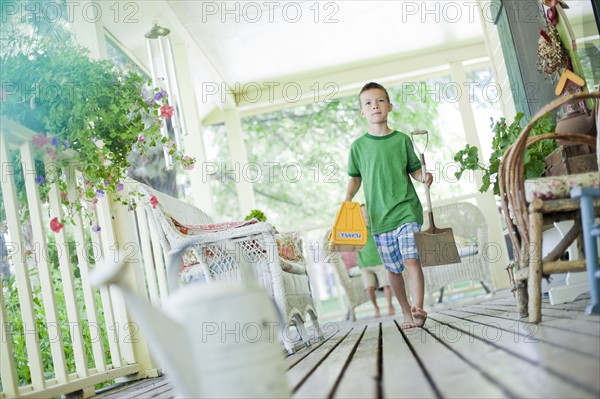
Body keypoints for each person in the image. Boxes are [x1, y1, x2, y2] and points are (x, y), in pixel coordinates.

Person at [344, 82, 433, 329]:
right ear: (362, 112)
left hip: (406, 211)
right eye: (368, 103)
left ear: (390, 106)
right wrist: (348, 199)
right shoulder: (358, 147)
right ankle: (405, 311)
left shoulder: (402, 140)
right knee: (392, 270)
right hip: (378, 219)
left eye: (381, 100)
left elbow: (414, 169)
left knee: (411, 259)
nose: (375, 106)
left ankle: (419, 308)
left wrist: (423, 177)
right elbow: (355, 177)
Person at [358, 204, 395, 318]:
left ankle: (390, 305)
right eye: (362, 215)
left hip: (380, 263)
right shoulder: (357, 231)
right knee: (369, 288)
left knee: (386, 285)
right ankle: (376, 307)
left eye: (366, 214)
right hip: (365, 265)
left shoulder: (376, 227)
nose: (365, 217)